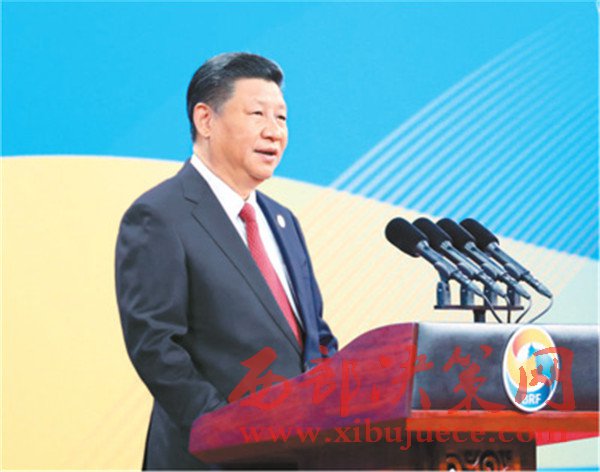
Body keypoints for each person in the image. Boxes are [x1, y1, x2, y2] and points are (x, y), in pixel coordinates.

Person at [115, 52, 338, 470]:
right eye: (257, 114)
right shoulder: (159, 215)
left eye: (282, 118)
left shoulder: (283, 221)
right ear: (205, 120)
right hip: (213, 458)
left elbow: (316, 337)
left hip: (299, 453)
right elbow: (156, 347)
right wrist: (226, 430)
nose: (274, 132)